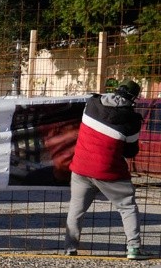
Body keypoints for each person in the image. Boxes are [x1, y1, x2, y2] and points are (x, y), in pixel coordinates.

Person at [64, 80, 152, 260]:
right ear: (134, 98)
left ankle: (69, 248)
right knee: (127, 206)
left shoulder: (92, 103)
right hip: (109, 171)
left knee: (76, 209)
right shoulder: (132, 120)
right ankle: (134, 248)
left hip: (81, 168)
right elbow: (130, 151)